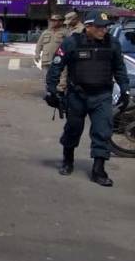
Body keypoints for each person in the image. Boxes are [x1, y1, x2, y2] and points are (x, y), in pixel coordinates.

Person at [45, 10, 130, 187]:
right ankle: (68, 161)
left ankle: (98, 170)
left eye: (106, 27)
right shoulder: (72, 42)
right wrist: (51, 91)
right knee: (73, 129)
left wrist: (125, 91)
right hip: (77, 95)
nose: (103, 31)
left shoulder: (112, 44)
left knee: (102, 131)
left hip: (102, 96)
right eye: (99, 27)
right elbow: (56, 66)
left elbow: (120, 69)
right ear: (88, 26)